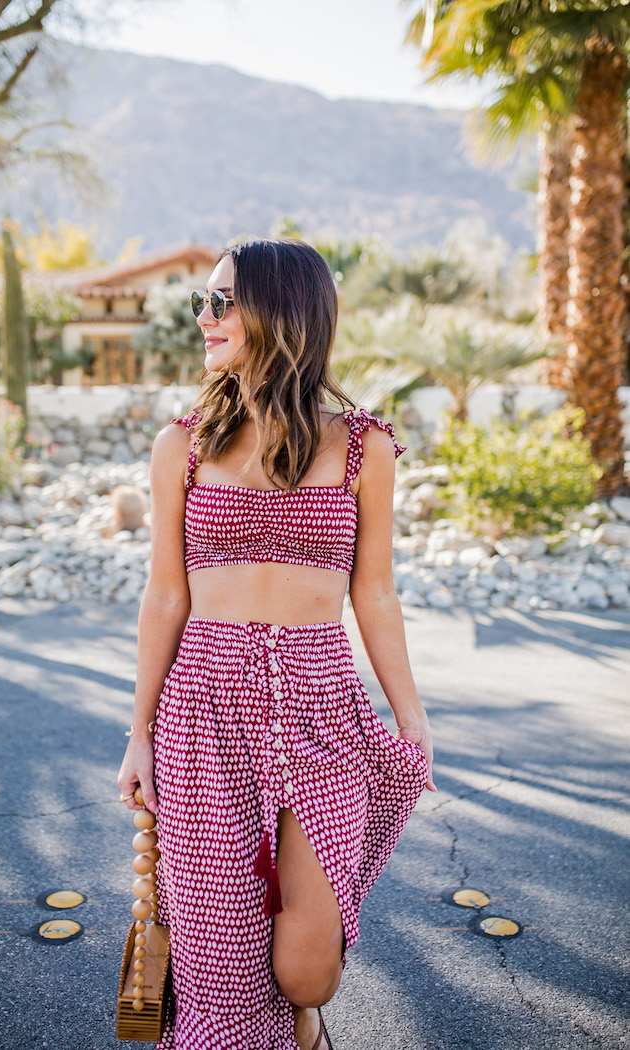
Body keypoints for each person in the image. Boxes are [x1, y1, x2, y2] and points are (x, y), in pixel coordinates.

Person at [117, 239, 435, 1050]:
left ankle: (304, 1019)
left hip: (324, 707)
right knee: (221, 962)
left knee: (307, 969)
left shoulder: (362, 446)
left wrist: (410, 713)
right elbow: (165, 594)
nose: (204, 316)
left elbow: (375, 591)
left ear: (282, 311)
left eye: (223, 301)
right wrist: (140, 733)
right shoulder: (179, 445)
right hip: (204, 712)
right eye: (205, 300)